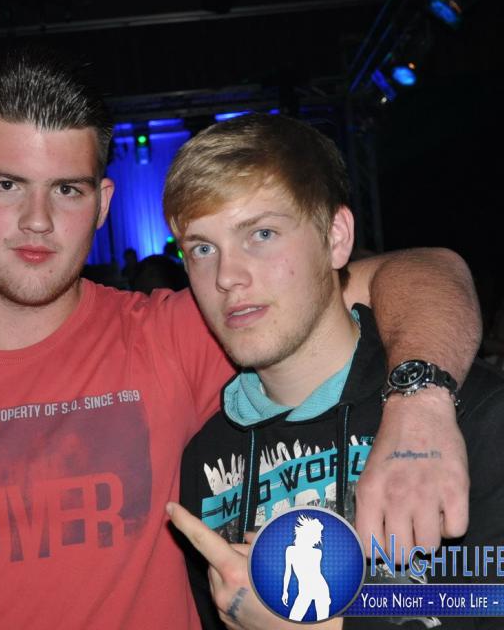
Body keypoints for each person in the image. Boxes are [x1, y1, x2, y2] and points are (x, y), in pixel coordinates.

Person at [0, 47, 481, 630]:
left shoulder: (182, 330)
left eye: (67, 189)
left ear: (103, 203)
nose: (38, 220)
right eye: (6, 185)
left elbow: (427, 270)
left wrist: (420, 405)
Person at [164, 114, 504, 629]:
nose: (227, 276)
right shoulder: (205, 459)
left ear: (336, 238)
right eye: (202, 249)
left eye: (261, 233)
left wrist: (327, 625)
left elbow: (486, 603)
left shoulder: (462, 415)